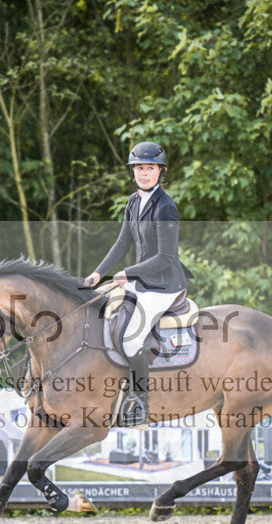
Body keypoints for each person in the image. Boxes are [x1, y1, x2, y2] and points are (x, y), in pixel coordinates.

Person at [84, 141, 191, 427]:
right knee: (102, 312)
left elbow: (166, 258)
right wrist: (98, 273)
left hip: (165, 285)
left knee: (130, 337)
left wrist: (128, 273)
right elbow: (122, 243)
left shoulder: (166, 207)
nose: (144, 174)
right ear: (133, 172)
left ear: (160, 171)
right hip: (143, 280)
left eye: (150, 168)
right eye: (139, 169)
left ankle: (140, 404)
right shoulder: (133, 202)